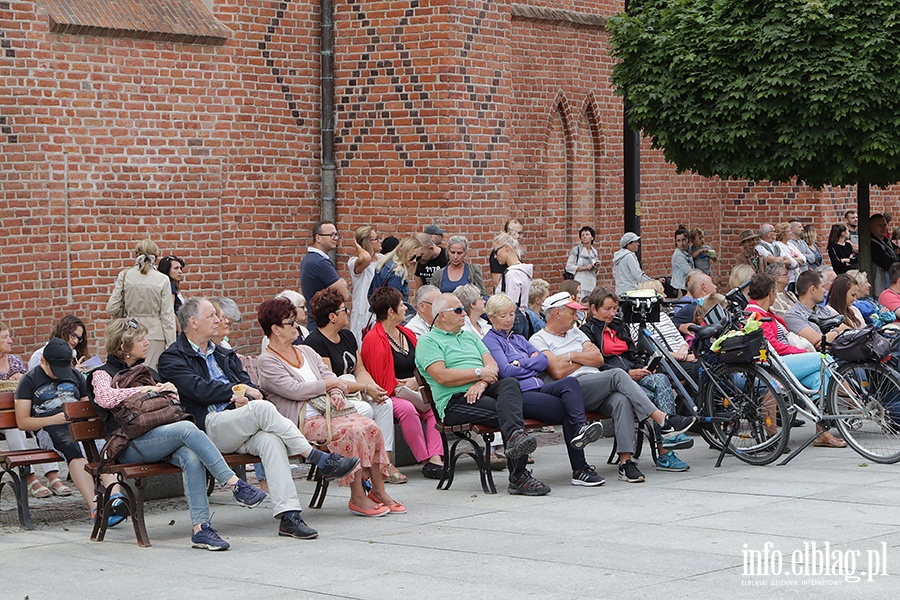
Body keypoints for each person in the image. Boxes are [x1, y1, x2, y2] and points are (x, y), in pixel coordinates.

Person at [157, 297, 360, 540]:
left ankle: (289, 516)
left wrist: (247, 398)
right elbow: (198, 389)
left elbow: (250, 385)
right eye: (212, 316)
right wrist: (237, 394)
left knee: (270, 440)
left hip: (243, 422)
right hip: (209, 428)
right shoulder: (172, 358)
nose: (218, 320)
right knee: (263, 409)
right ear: (193, 322)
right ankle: (317, 458)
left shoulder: (223, 354)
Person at [89, 318, 268, 550]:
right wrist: (145, 389)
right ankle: (234, 484)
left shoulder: (147, 371)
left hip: (161, 437)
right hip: (129, 446)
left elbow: (172, 402)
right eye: (140, 339)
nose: (147, 343)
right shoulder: (102, 373)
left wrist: (169, 390)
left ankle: (201, 529)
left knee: (190, 456)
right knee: (186, 428)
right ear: (123, 347)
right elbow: (104, 398)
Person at [256, 298, 404, 517]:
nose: (297, 326)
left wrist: (334, 391)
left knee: (370, 426)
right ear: (276, 329)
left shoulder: (305, 351)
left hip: (329, 413)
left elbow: (329, 376)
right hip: (301, 420)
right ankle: (358, 497)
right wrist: (329, 385)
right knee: (351, 431)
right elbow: (294, 390)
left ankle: (379, 490)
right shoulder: (267, 361)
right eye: (290, 322)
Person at [529, 293, 696, 481]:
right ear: (557, 313)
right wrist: (581, 355)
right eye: (572, 313)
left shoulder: (576, 332)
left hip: (598, 384)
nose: (576, 318)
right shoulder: (538, 340)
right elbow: (558, 372)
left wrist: (569, 356)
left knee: (621, 399)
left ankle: (626, 462)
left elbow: (598, 359)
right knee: (618, 375)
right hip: (572, 391)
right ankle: (663, 420)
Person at [415, 293, 549, 496]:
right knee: (510, 413)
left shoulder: (469, 336)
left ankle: (516, 450)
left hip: (482, 390)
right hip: (455, 401)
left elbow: (492, 365)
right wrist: (478, 373)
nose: (464, 314)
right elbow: (442, 376)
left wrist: (482, 382)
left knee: (510, 384)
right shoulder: (428, 341)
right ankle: (519, 477)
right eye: (459, 310)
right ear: (442, 315)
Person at [482, 293, 605, 486]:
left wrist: (520, 363)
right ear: (491, 317)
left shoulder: (518, 338)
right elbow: (506, 371)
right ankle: (580, 469)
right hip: (520, 395)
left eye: (512, 314)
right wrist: (529, 363)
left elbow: (543, 360)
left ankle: (581, 428)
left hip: (539, 388)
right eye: (503, 315)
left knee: (570, 384)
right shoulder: (490, 341)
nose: (509, 319)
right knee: (567, 410)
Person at [14, 338, 123, 526]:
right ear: (43, 362)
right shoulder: (29, 381)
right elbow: (23, 422)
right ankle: (95, 506)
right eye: (56, 370)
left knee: (103, 448)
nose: (60, 374)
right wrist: (53, 419)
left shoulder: (74, 375)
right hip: (49, 428)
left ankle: (116, 499)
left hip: (77, 424)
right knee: (73, 450)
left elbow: (85, 405)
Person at [303, 288, 404, 483]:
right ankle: (362, 467)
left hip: (354, 390)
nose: (348, 312)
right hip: (335, 398)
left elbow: (360, 370)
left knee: (384, 404)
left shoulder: (347, 336)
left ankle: (384, 463)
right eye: (344, 309)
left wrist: (374, 388)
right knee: (365, 409)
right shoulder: (315, 342)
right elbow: (332, 381)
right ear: (332, 316)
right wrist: (365, 389)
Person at [580, 287, 694, 457]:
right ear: (594, 309)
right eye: (607, 309)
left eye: (614, 309)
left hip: (633, 373)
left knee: (661, 378)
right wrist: (628, 372)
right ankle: (666, 450)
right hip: (613, 380)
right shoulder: (587, 332)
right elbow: (597, 365)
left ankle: (668, 437)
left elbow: (631, 354)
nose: (612, 313)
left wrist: (644, 367)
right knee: (657, 393)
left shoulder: (620, 327)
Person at [745, 274, 846, 448]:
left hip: (784, 360)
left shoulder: (764, 312)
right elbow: (771, 346)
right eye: (775, 292)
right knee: (824, 360)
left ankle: (822, 433)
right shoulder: (755, 314)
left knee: (818, 377)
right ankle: (852, 400)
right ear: (770, 293)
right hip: (775, 364)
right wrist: (800, 351)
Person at [360, 286, 444, 479]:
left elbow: (422, 364)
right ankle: (423, 458)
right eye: (401, 305)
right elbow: (378, 380)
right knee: (407, 409)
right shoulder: (373, 339)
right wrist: (404, 386)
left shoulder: (407, 333)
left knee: (434, 407)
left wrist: (416, 381)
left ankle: (436, 458)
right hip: (391, 393)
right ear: (390, 312)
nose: (406, 308)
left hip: (416, 388)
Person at [0, 322, 67, 498]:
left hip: (23, 410)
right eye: (5, 337)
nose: (10, 340)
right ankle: (29, 477)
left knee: (42, 422)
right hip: (3, 418)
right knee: (15, 428)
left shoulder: (15, 360)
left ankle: (52, 475)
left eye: (9, 336)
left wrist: (21, 379)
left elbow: (30, 383)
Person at [106, 240, 176, 370]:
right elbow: (167, 316)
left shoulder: (125, 275)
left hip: (130, 332)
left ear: (136, 254)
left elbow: (112, 308)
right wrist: (172, 346)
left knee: (128, 376)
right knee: (152, 377)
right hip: (156, 334)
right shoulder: (162, 279)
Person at [300, 220, 350, 326]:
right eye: (331, 235)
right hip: (325, 326)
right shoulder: (320, 263)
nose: (335, 238)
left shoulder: (309, 259)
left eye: (336, 234)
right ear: (318, 238)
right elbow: (345, 295)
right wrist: (342, 284)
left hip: (316, 322)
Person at [783, 270, 848, 350]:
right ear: (813, 289)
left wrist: (833, 335)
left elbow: (846, 328)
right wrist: (839, 332)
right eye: (822, 287)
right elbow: (819, 342)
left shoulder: (823, 310)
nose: (825, 291)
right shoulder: (793, 315)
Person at [348, 226, 383, 344]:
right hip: (364, 313)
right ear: (367, 243)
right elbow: (366, 258)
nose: (380, 241)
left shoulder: (383, 259)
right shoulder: (355, 262)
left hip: (381, 310)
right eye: (376, 239)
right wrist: (358, 247)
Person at [370, 235, 424, 306]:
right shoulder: (398, 272)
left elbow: (370, 294)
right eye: (412, 256)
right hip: (390, 314)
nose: (414, 261)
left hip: (378, 312)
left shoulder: (384, 264)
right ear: (401, 251)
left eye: (418, 258)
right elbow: (394, 303)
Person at [494, 233, 532, 310]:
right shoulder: (523, 271)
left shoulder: (512, 274)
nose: (495, 256)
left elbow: (511, 305)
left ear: (506, 247)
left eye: (496, 251)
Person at [564, 226, 600, 300]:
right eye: (582, 235)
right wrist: (585, 267)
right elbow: (569, 267)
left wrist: (597, 266)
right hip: (580, 283)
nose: (584, 237)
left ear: (592, 237)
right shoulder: (576, 250)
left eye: (587, 235)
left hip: (591, 283)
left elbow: (596, 272)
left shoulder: (594, 252)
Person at [489, 219, 524, 292]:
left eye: (520, 233)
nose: (517, 236)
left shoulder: (516, 253)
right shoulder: (499, 253)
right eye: (513, 232)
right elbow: (496, 283)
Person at [870, 213, 897, 297]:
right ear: (871, 228)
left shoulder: (886, 242)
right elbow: (887, 263)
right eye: (879, 225)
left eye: (884, 225)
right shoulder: (872, 245)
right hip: (880, 287)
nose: (883, 228)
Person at [773, 222, 804, 288]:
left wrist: (794, 261)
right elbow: (789, 262)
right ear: (783, 233)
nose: (791, 233)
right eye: (789, 231)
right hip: (789, 279)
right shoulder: (778, 245)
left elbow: (803, 258)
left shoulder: (790, 245)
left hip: (796, 277)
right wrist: (796, 261)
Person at [671, 227, 695, 297]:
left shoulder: (686, 252)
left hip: (684, 286)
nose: (682, 243)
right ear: (676, 242)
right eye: (678, 241)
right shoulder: (678, 255)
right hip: (680, 288)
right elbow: (689, 272)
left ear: (688, 240)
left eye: (684, 240)